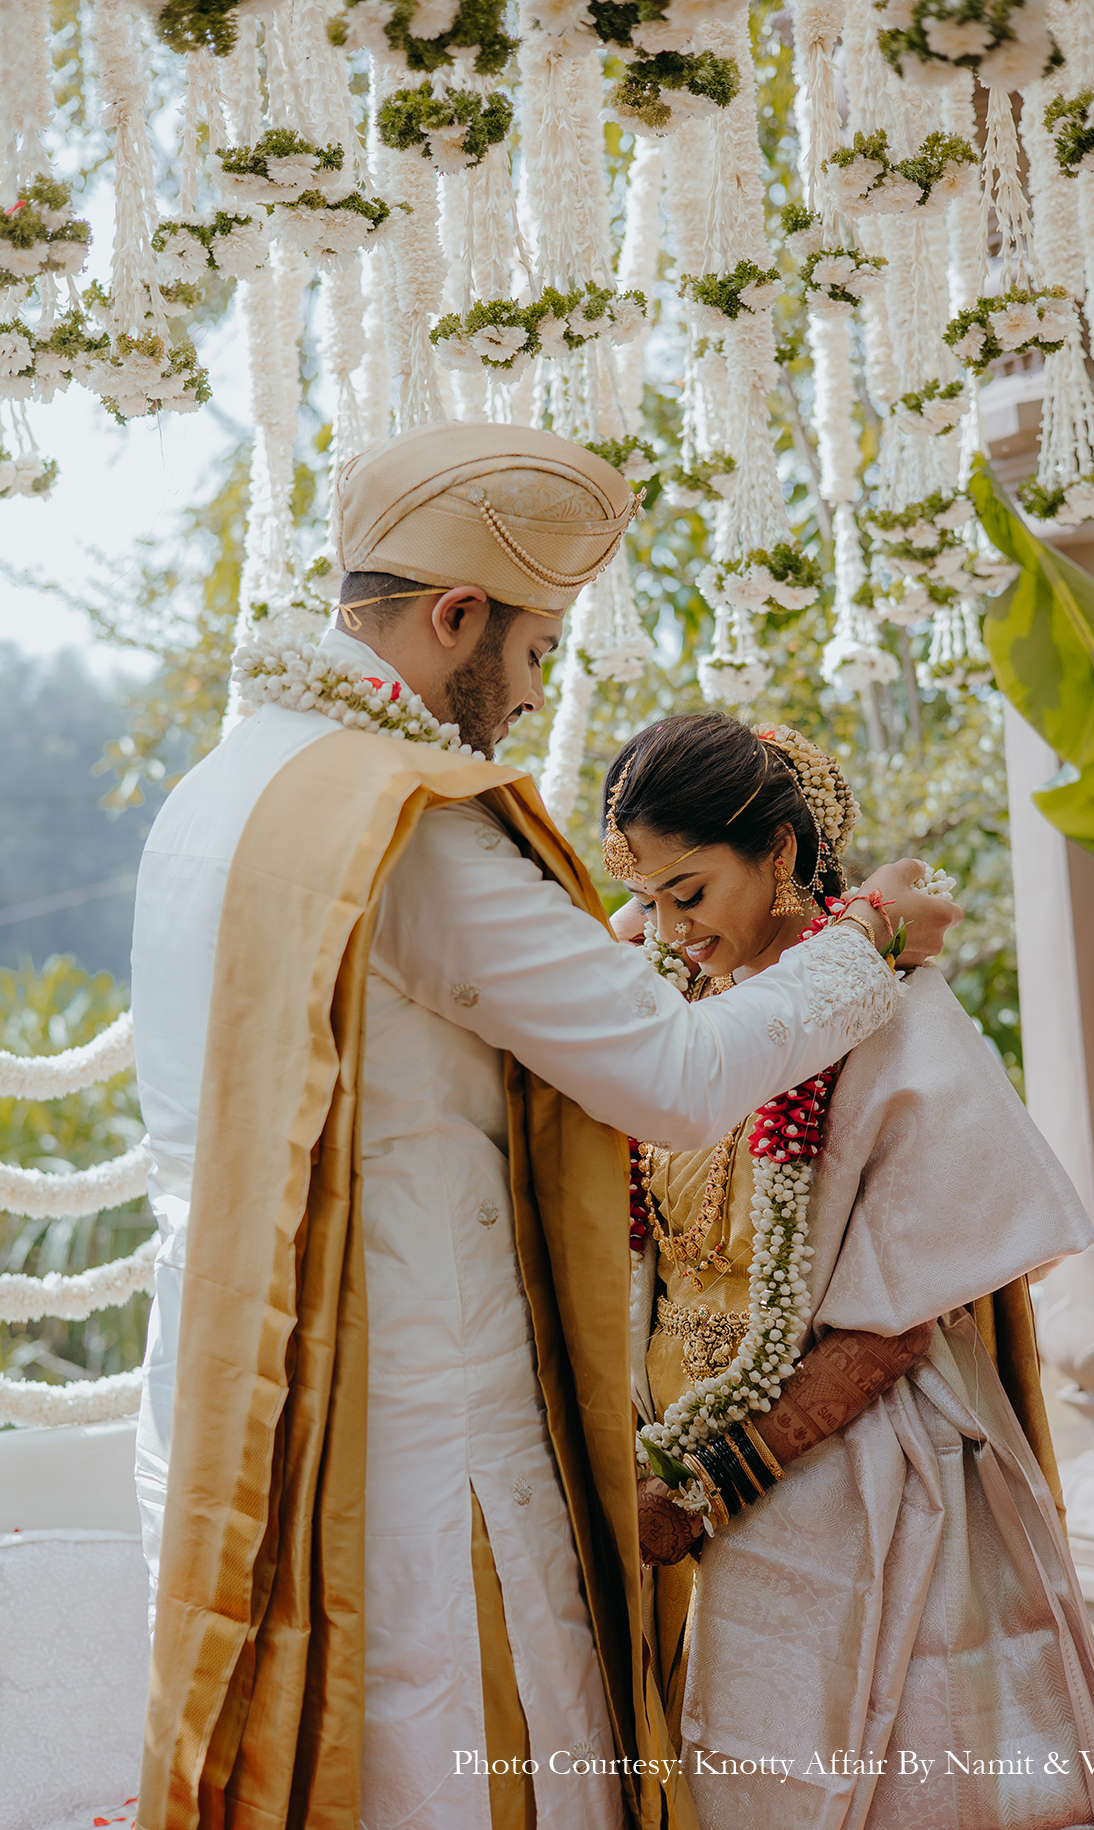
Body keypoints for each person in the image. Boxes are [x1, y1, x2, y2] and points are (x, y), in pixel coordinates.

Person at [128, 423, 961, 1830]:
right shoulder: (416, 827)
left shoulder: (219, 791)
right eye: (528, 652)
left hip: (232, 1405)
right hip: (419, 1436)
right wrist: (870, 934)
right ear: (454, 616)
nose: (525, 699)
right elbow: (674, 1072)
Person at [602, 711, 1094, 1830]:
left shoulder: (889, 1015)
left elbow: (892, 1329)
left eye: (687, 893)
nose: (665, 928)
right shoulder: (679, 1016)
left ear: (778, 854)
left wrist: (707, 1487)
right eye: (646, 901)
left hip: (863, 1483)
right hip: (675, 1479)